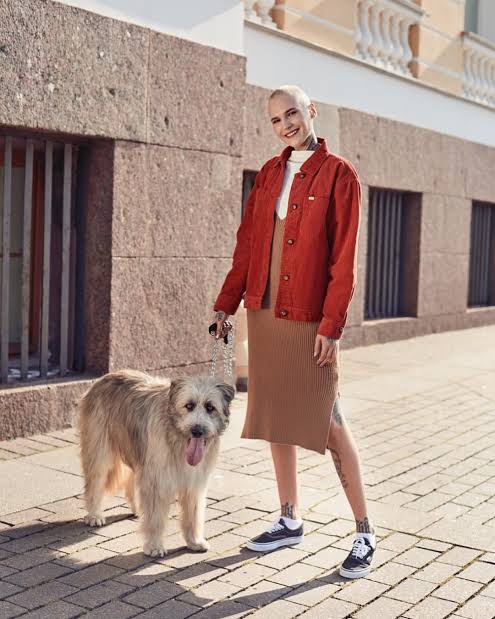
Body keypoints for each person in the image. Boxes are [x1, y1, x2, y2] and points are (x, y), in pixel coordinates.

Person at [211, 85, 376, 579]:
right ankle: (289, 519)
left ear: (311, 112)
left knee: (330, 420)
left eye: (292, 114)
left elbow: (343, 259)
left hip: (309, 317)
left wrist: (332, 325)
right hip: (264, 311)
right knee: (275, 416)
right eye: (276, 120)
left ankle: (364, 532)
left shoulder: (341, 174)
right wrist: (225, 304)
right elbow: (247, 246)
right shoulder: (268, 173)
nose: (286, 125)